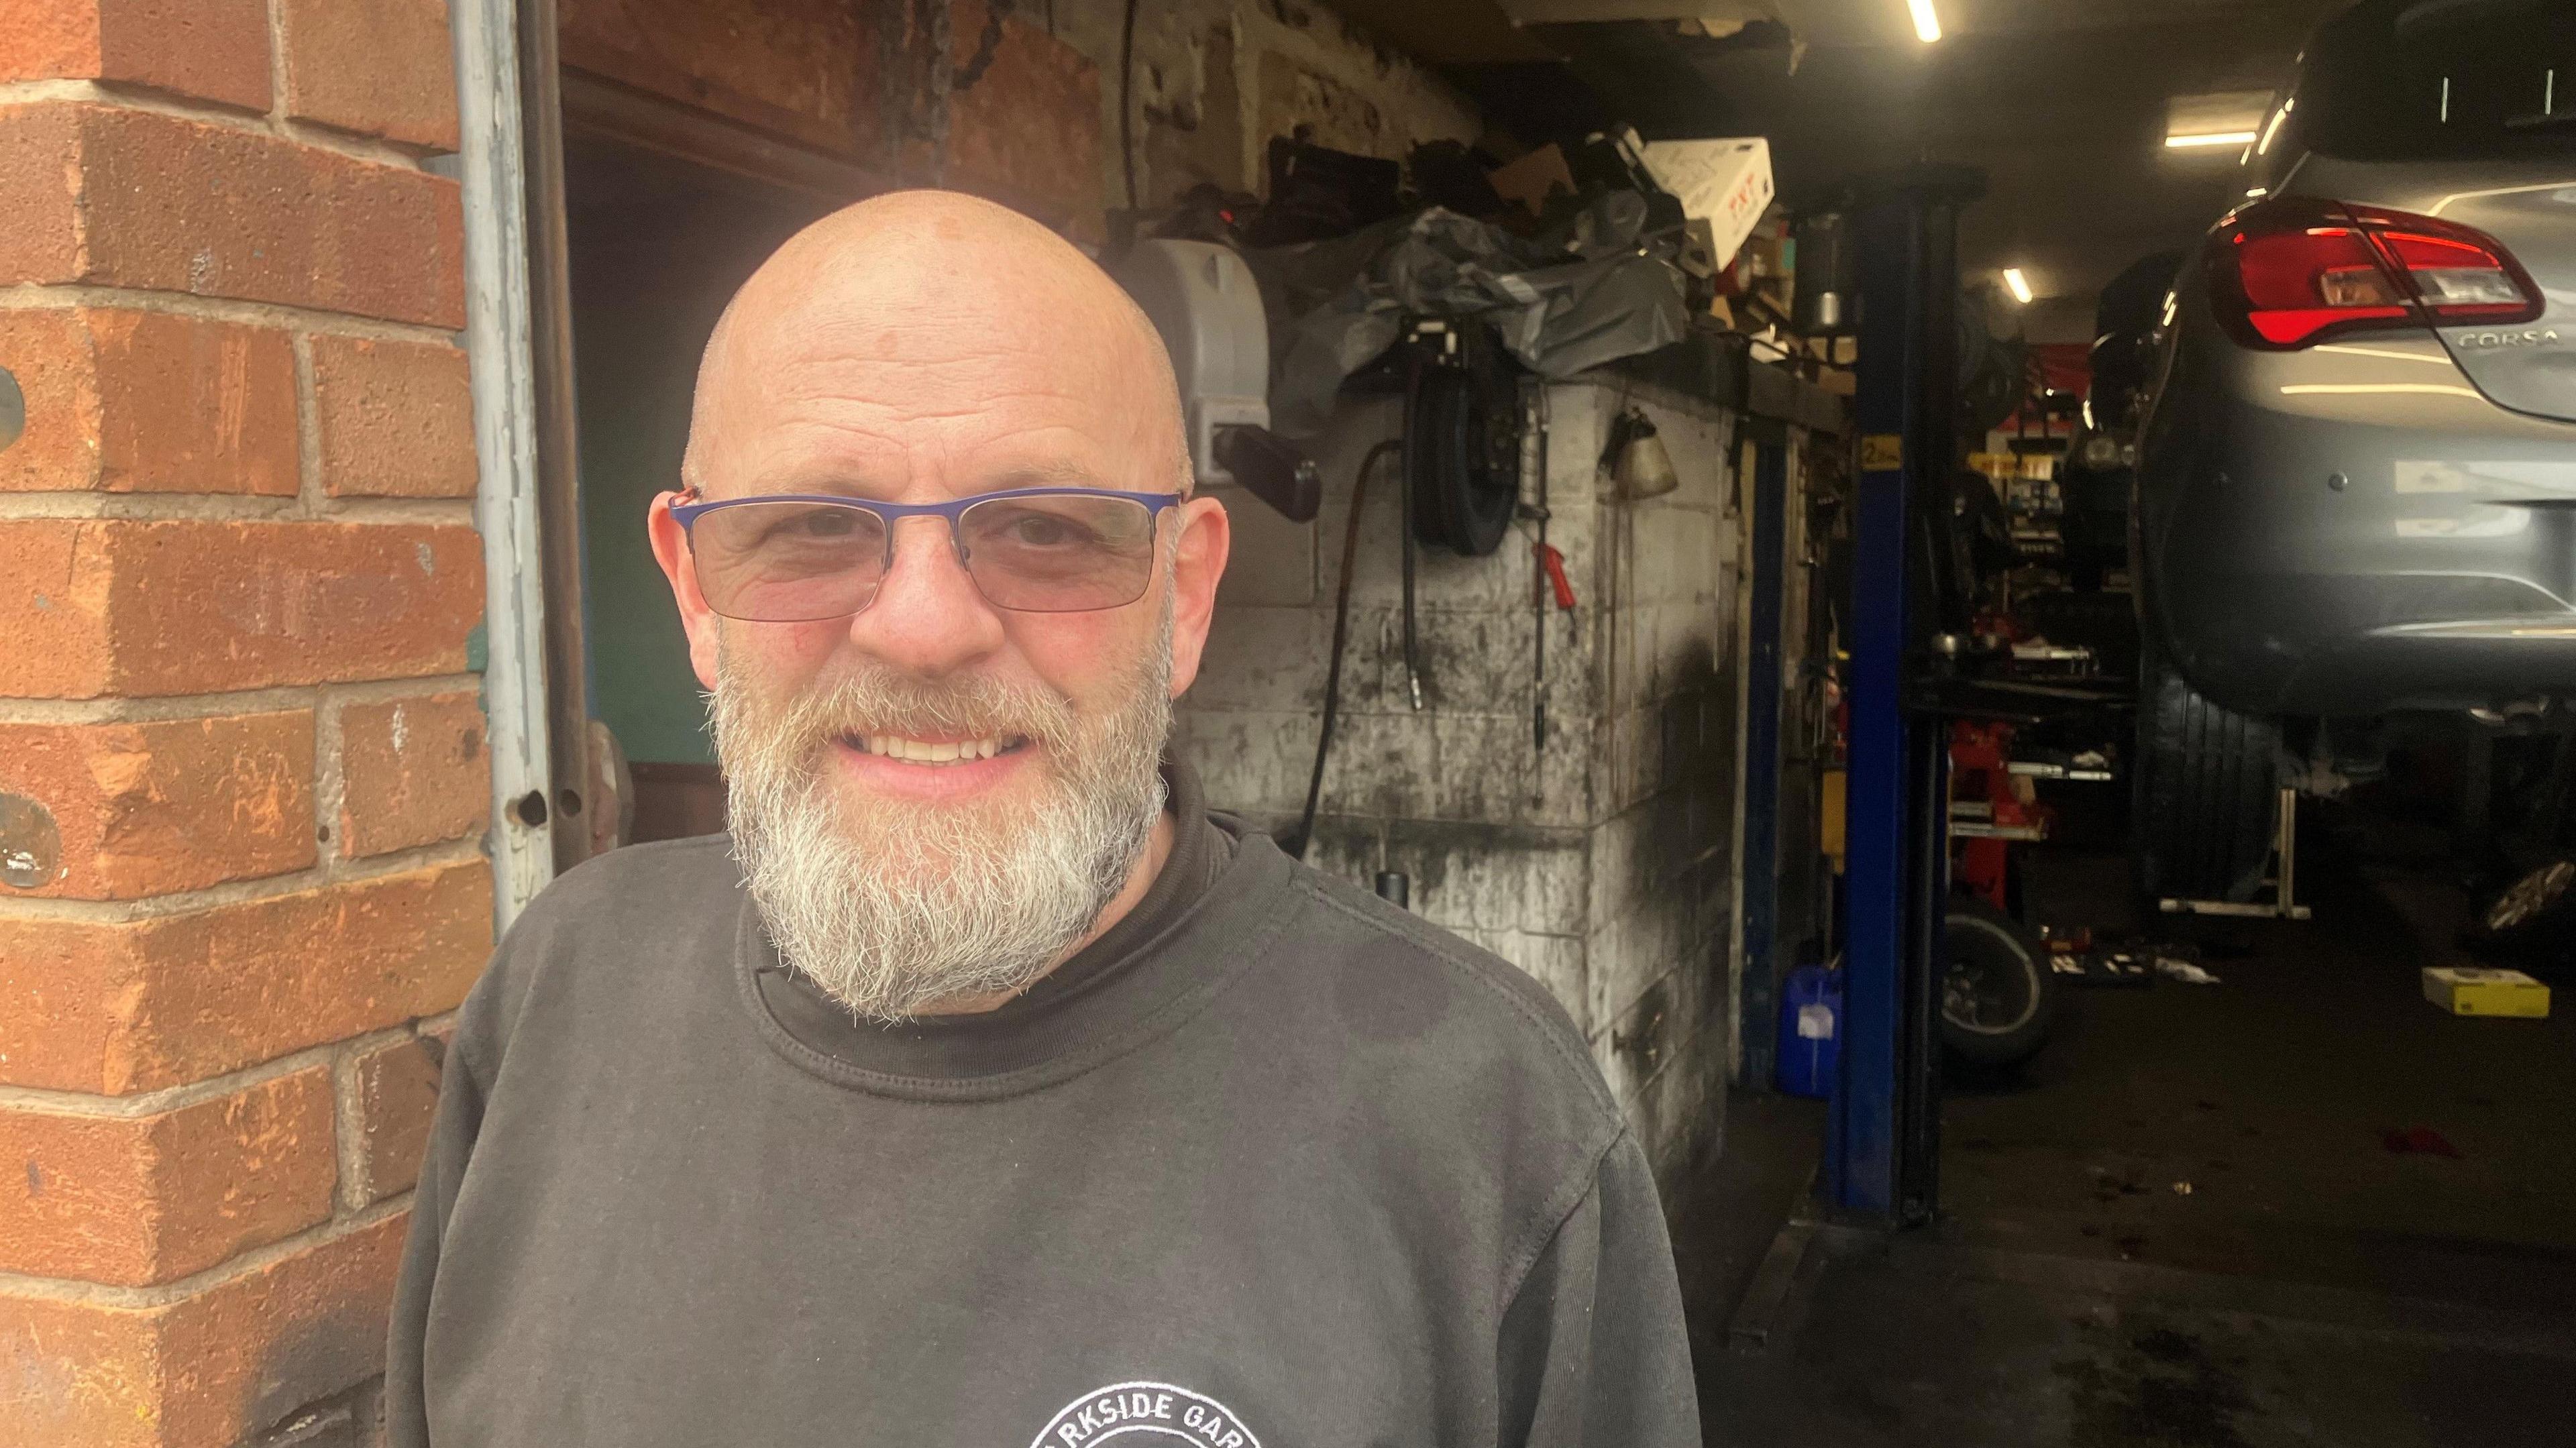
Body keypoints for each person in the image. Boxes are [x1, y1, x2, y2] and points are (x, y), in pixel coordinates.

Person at [386, 190, 1699, 1447]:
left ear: (1182, 597)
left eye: (1045, 530)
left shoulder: (1486, 1127)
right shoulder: (560, 997)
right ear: (695, 593)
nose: (923, 626)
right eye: (812, 526)